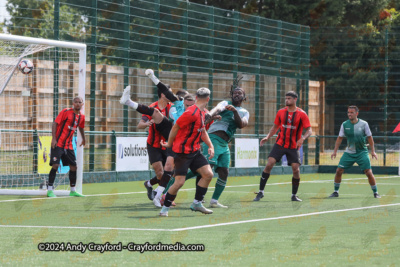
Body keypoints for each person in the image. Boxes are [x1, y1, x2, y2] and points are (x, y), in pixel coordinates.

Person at [159, 87, 215, 217]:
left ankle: (197, 203)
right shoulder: (191, 112)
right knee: (179, 182)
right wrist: (170, 144)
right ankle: (164, 209)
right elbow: (175, 127)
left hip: (195, 151)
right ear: (208, 99)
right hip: (182, 153)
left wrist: (210, 146)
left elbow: (202, 131)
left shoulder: (202, 112)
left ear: (196, 98)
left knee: (208, 174)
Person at [254, 91, 312, 202]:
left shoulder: (302, 114)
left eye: (289, 98)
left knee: (295, 169)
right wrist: (267, 137)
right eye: (286, 98)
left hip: (293, 146)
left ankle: (294, 195)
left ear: (295, 99)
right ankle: (261, 192)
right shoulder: (281, 112)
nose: (287, 100)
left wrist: (303, 138)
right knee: (269, 164)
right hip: (280, 144)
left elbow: (309, 130)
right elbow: (275, 127)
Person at [200, 84, 249, 208]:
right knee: (206, 169)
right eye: (235, 93)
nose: (236, 94)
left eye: (239, 93)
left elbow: (241, 125)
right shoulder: (225, 103)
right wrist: (209, 114)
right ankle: (196, 198)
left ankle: (214, 201)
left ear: (244, 97)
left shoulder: (244, 112)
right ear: (231, 95)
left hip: (225, 143)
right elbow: (217, 109)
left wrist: (234, 111)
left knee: (224, 172)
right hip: (213, 139)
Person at [329, 105, 380, 198]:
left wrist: (373, 151)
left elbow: (370, 138)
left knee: (368, 172)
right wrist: (334, 151)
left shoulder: (364, 124)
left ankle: (375, 193)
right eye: (348, 112)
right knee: (339, 170)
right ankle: (335, 192)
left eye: (351, 112)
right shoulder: (344, 124)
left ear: (357, 113)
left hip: (362, 152)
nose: (349, 114)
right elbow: (339, 138)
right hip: (349, 153)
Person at [47, 96, 86, 197]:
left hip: (69, 145)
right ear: (73, 103)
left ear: (82, 104)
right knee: (55, 165)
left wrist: (84, 138)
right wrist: (54, 139)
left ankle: (72, 191)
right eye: (76, 102)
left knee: (74, 167)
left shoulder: (82, 117)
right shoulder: (65, 112)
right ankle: (50, 190)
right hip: (58, 143)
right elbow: (55, 123)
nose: (78, 104)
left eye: (80, 102)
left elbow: (81, 127)